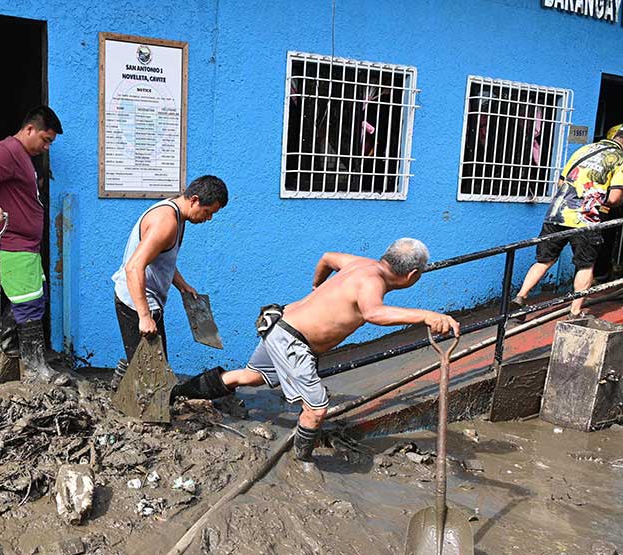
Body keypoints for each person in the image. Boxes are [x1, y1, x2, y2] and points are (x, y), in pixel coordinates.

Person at [172, 238, 460, 469]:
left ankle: (179, 393)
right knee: (317, 408)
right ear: (412, 275)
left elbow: (326, 257)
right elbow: (374, 313)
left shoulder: (360, 264)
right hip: (293, 341)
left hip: (279, 324)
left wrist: (316, 287)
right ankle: (301, 462)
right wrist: (426, 315)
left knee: (252, 376)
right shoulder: (373, 283)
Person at [0, 105, 66, 384]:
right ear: (29, 129)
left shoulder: (23, 157)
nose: (46, 147)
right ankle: (36, 369)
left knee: (34, 296)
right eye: (45, 140)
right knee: (30, 303)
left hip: (24, 245)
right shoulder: (7, 150)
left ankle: (4, 349)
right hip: (9, 242)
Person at [110, 176, 229, 384]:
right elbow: (134, 267)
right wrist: (144, 316)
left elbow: (161, 258)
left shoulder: (177, 214)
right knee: (152, 378)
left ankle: (127, 373)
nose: (209, 218)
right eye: (208, 212)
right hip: (136, 303)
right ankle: (126, 385)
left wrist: (182, 285)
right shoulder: (166, 222)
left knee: (152, 368)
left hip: (148, 301)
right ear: (194, 200)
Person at [511, 124, 623, 318]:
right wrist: (601, 201)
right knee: (585, 265)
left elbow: (561, 182)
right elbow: (614, 198)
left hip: (557, 213)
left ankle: (521, 296)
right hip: (586, 218)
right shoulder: (619, 159)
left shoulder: (584, 150)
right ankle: (575, 312)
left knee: (545, 260)